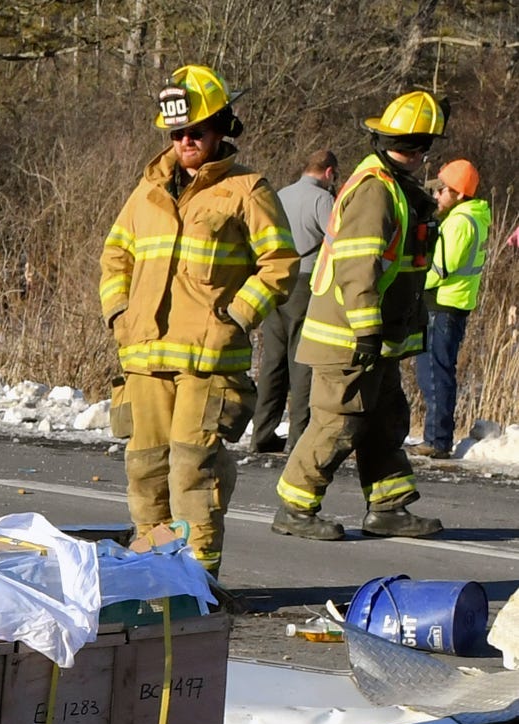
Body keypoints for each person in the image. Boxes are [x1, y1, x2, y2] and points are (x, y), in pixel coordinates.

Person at [99, 65, 297, 575]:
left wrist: (236, 314)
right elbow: (115, 255)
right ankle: (152, 570)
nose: (186, 141)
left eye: (197, 132)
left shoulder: (246, 190)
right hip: (144, 353)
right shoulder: (146, 192)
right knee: (146, 469)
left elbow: (280, 264)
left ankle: (198, 578)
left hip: (207, 360)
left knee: (192, 467)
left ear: (222, 129)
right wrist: (119, 311)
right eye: (177, 133)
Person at [274, 91, 444, 539]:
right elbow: (358, 265)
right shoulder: (376, 190)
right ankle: (294, 508)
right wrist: (367, 329)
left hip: (374, 337)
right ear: (421, 146)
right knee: (339, 419)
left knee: (385, 417)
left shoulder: (391, 185)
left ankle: (388, 507)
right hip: (349, 336)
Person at [251, 150, 338, 453]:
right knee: (302, 360)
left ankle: (261, 433)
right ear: (328, 172)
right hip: (306, 283)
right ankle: (298, 437)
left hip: (275, 280)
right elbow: (337, 241)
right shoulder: (322, 200)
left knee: (272, 361)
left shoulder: (280, 195)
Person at [417, 159, 490, 458]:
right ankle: (437, 437)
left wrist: (415, 283)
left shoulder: (460, 222)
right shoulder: (474, 216)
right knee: (439, 371)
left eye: (443, 190)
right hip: (455, 304)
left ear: (459, 194)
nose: (436, 196)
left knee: (434, 374)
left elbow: (441, 267)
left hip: (443, 303)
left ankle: (437, 440)